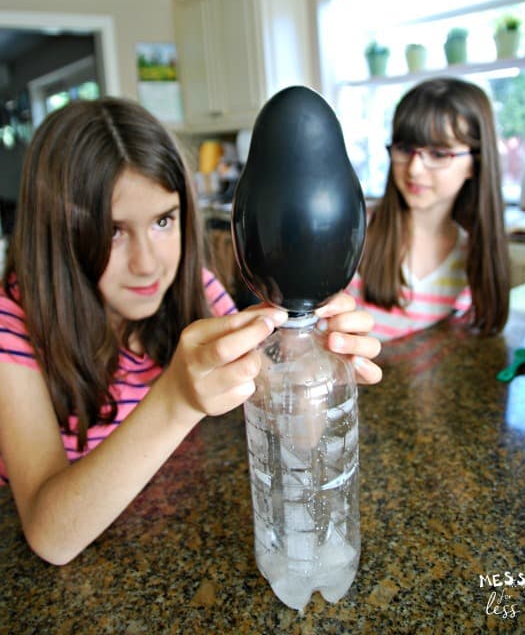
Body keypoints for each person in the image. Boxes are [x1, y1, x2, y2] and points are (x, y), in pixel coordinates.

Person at [0, 98, 382, 565]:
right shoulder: (11, 325)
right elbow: (50, 537)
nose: (146, 264)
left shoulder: (193, 290)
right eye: (112, 231)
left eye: (163, 221)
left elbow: (301, 443)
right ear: (55, 230)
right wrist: (176, 398)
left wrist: (311, 356)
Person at [347, 77, 510, 340]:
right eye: (405, 148)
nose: (414, 169)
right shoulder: (354, 231)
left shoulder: (473, 256)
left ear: (474, 163)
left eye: (438, 153)